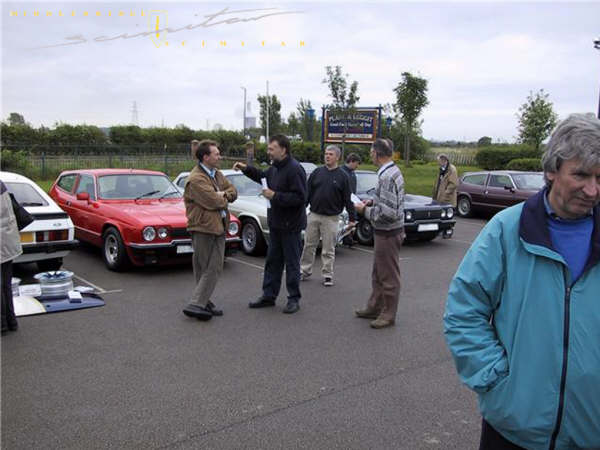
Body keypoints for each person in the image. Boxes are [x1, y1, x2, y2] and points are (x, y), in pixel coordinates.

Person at [443, 113, 600, 449]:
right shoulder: (506, 229)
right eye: (582, 175)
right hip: (513, 429)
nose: (593, 190)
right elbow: (463, 311)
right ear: (551, 170)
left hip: (590, 431)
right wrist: (497, 381)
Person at [233, 135, 307, 314]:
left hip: (291, 226)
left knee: (291, 264)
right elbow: (263, 176)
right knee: (272, 262)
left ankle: (293, 299)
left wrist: (275, 196)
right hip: (276, 224)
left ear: (283, 149)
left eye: (272, 148)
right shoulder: (275, 168)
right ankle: (268, 296)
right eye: (269, 149)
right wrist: (246, 169)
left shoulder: (295, 169)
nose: (269, 152)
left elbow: (300, 198)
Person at [182, 139, 237, 321]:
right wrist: (220, 196)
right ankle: (197, 303)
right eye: (216, 154)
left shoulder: (216, 174)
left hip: (219, 226)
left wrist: (224, 194)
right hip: (203, 227)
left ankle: (203, 302)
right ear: (205, 157)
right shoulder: (196, 178)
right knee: (207, 267)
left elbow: (233, 190)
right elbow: (213, 201)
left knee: (211, 266)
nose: (219, 156)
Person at [354, 138, 405, 329]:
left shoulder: (387, 176)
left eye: (371, 152)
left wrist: (364, 211)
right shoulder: (390, 172)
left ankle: (388, 314)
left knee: (388, 276)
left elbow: (389, 213)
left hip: (388, 233)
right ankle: (374, 307)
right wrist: (372, 202)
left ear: (377, 153)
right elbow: (389, 203)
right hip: (385, 232)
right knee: (378, 273)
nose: (369, 155)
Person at [300, 145, 356, 286]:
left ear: (337, 157)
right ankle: (304, 271)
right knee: (308, 246)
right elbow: (307, 193)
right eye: (326, 154)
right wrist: (301, 211)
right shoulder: (317, 172)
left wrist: (352, 218)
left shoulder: (343, 176)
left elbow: (348, 199)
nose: (327, 156)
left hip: (331, 218)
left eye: (330, 154)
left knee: (328, 248)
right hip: (313, 215)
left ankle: (327, 275)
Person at [1, 180, 23, 334]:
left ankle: (2, 324)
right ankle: (11, 321)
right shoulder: (2, 186)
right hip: (8, 241)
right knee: (6, 285)